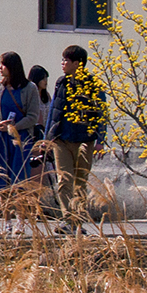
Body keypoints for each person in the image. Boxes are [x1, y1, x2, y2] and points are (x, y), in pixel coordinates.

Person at [46, 44, 107, 225]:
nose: (63, 63)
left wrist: (100, 141)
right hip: (61, 138)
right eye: (63, 59)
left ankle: (78, 221)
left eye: (67, 60)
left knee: (80, 182)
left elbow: (102, 113)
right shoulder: (61, 83)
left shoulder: (93, 85)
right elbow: (53, 111)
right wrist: (47, 138)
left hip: (85, 140)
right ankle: (67, 219)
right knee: (64, 180)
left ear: (78, 64)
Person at [0, 51, 41, 189]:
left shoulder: (30, 88)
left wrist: (15, 127)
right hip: (0, 138)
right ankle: (2, 208)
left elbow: (33, 116)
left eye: (3, 65)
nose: (0, 68)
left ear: (12, 67)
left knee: (19, 178)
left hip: (20, 139)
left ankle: (18, 208)